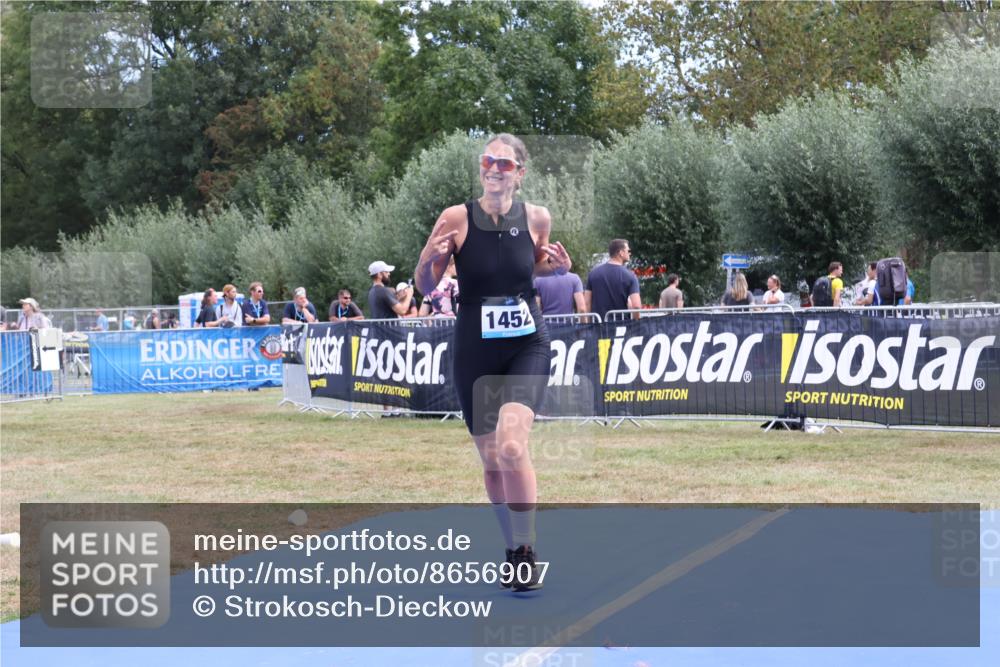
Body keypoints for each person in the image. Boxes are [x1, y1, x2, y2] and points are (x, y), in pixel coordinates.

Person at [415, 133, 571, 592]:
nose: (493, 169)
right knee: (491, 460)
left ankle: (526, 550)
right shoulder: (456, 218)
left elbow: (532, 267)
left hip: (527, 343)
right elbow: (426, 285)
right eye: (488, 161)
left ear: (520, 174)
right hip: (474, 348)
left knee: (511, 448)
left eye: (504, 164)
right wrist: (427, 260)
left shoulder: (537, 217)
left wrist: (559, 268)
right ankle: (510, 547)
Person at [584, 239, 641, 320]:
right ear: (621, 253)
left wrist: (588, 324)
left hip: (598, 325)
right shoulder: (630, 276)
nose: (630, 253)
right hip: (621, 325)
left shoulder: (593, 274)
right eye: (628, 251)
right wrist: (636, 323)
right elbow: (636, 306)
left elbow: (586, 303)